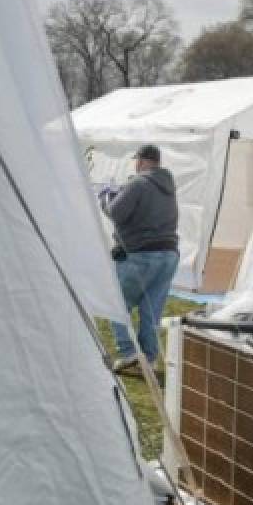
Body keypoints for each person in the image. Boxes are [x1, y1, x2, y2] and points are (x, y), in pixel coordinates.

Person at [103, 144, 179, 372]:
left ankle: (128, 353)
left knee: (117, 303)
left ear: (143, 161)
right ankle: (149, 356)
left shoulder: (138, 183)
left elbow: (115, 213)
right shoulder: (169, 187)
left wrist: (106, 198)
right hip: (169, 255)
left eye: (137, 160)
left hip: (141, 254)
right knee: (151, 309)